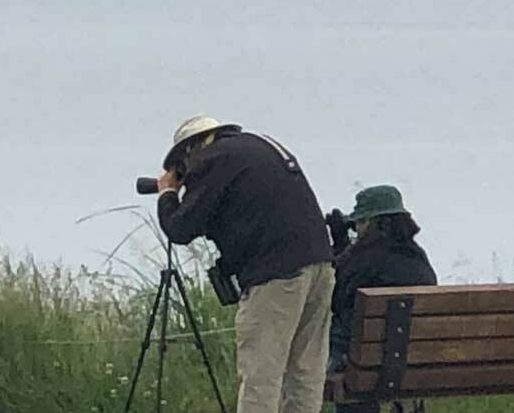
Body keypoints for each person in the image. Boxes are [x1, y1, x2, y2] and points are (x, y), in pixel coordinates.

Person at [155, 115, 335, 413]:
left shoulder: (212, 159)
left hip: (276, 275)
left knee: (261, 374)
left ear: (190, 150)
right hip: (320, 266)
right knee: (305, 371)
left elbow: (180, 229)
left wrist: (168, 193)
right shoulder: (261, 146)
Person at [328, 185, 437, 413]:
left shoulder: (363, 259)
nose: (356, 229)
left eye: (358, 223)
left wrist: (340, 245)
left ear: (371, 223)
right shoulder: (418, 257)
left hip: (363, 365)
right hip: (414, 364)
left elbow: (335, 300)